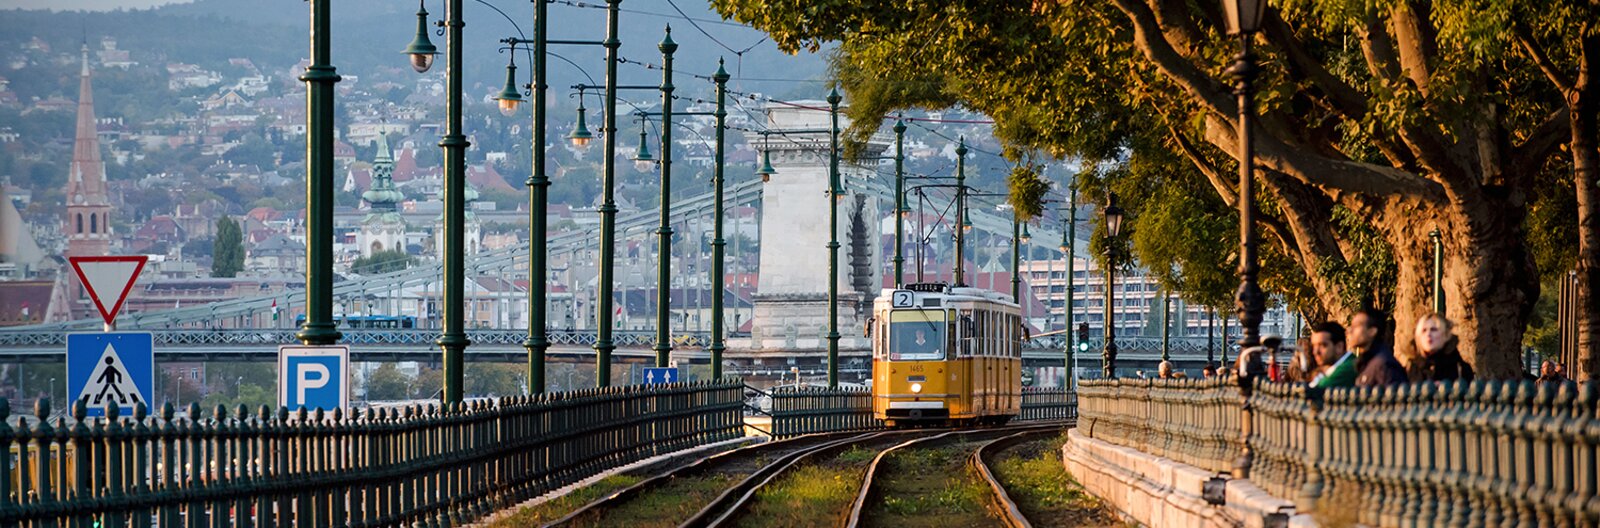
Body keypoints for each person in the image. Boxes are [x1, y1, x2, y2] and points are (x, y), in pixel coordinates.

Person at [1349, 308, 1408, 387]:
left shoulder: (1383, 365)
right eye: (1351, 326)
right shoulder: (1366, 362)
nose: (1350, 331)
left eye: (1356, 326)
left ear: (1372, 331)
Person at [1410, 313, 1473, 381]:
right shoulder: (1412, 369)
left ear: (1445, 335)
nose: (1428, 334)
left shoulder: (1460, 368)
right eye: (1424, 330)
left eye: (1433, 329)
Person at [1309, 322, 1357, 388]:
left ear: (1339, 347)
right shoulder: (1344, 364)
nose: (1315, 352)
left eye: (1323, 345)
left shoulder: (1348, 368)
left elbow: (1314, 390)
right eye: (1314, 346)